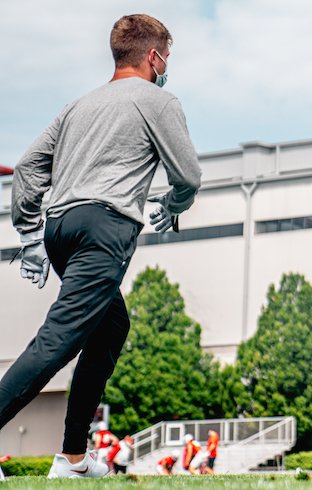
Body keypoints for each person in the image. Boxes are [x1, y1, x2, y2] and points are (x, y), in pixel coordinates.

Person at [1, 13, 202, 479]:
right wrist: (175, 204)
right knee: (57, 341)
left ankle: (74, 458)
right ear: (153, 57)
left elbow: (29, 168)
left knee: (110, 328)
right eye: (166, 57)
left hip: (60, 229)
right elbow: (188, 176)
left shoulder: (78, 106)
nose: (167, 66)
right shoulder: (158, 101)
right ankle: (69, 459)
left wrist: (30, 234)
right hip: (103, 230)